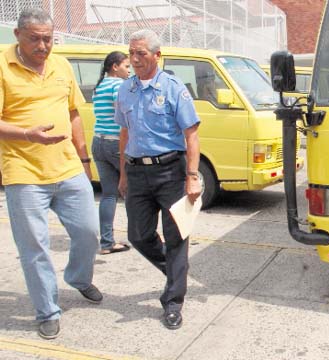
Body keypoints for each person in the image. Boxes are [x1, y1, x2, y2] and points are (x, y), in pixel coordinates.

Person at [0, 8, 102, 340]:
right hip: (24, 171)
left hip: (68, 167)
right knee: (35, 248)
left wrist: (84, 161)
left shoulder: (61, 64)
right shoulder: (2, 64)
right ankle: (47, 310)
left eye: (48, 38)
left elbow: (73, 111)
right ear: (17, 35)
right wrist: (28, 134)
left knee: (89, 232)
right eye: (35, 39)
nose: (43, 46)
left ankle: (79, 277)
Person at [115, 29, 201, 330]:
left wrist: (192, 177)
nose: (135, 59)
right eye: (131, 53)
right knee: (138, 236)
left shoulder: (174, 88)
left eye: (141, 53)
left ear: (156, 55)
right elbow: (124, 133)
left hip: (170, 172)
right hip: (137, 171)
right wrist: (124, 174)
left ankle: (173, 301)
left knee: (176, 237)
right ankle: (177, 271)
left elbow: (191, 136)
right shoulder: (125, 90)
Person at [92, 51, 131, 255]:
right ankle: (142, 236)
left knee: (108, 195)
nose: (129, 70)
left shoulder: (99, 86)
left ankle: (106, 243)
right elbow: (122, 112)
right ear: (115, 67)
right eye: (126, 66)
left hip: (98, 142)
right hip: (116, 144)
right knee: (133, 190)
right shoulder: (118, 86)